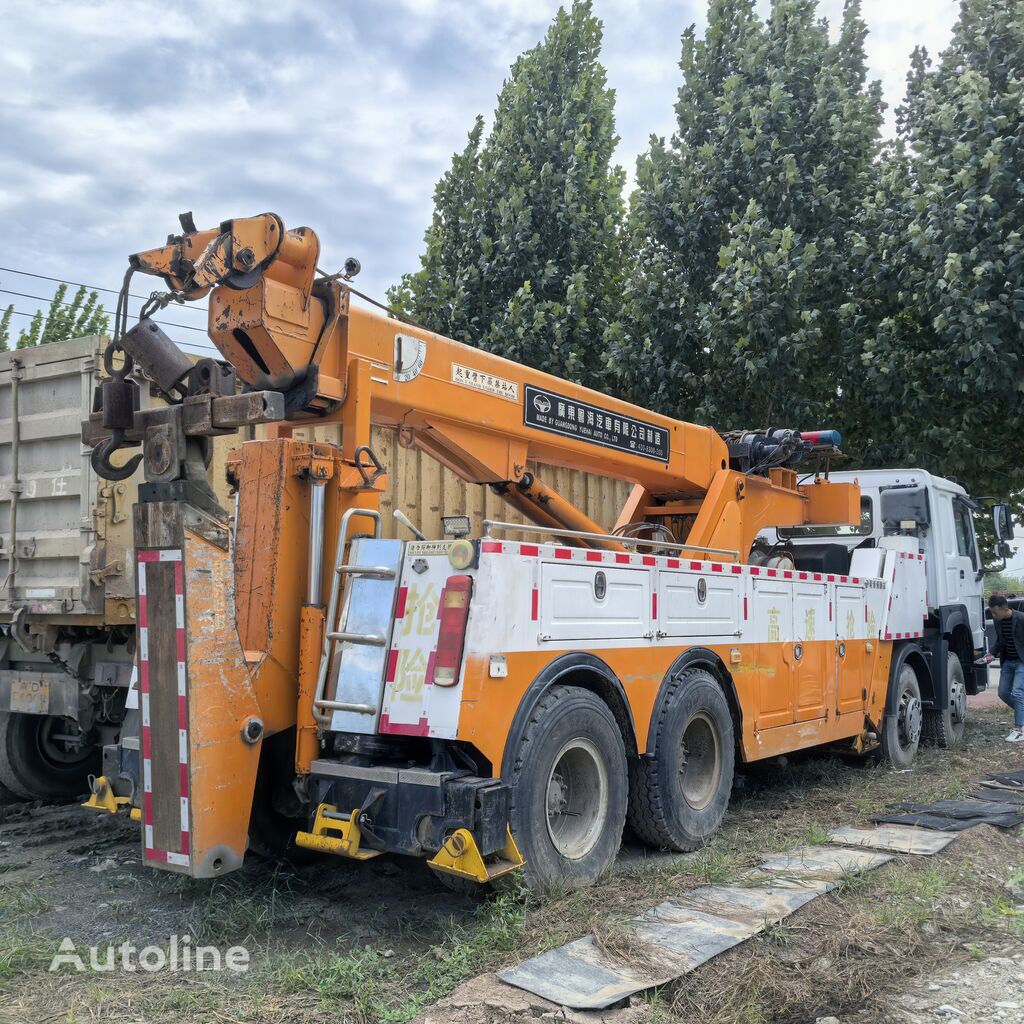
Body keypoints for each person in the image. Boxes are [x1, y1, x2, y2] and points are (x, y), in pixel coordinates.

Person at [989, 594, 1024, 742]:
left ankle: (1019, 729)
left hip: (1022, 661)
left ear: (1004, 609)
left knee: (1017, 692)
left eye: (995, 612)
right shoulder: (998, 622)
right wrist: (990, 654)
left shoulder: (1021, 618)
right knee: (1003, 692)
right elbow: (1000, 642)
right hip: (1008, 662)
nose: (993, 615)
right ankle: (1021, 714)